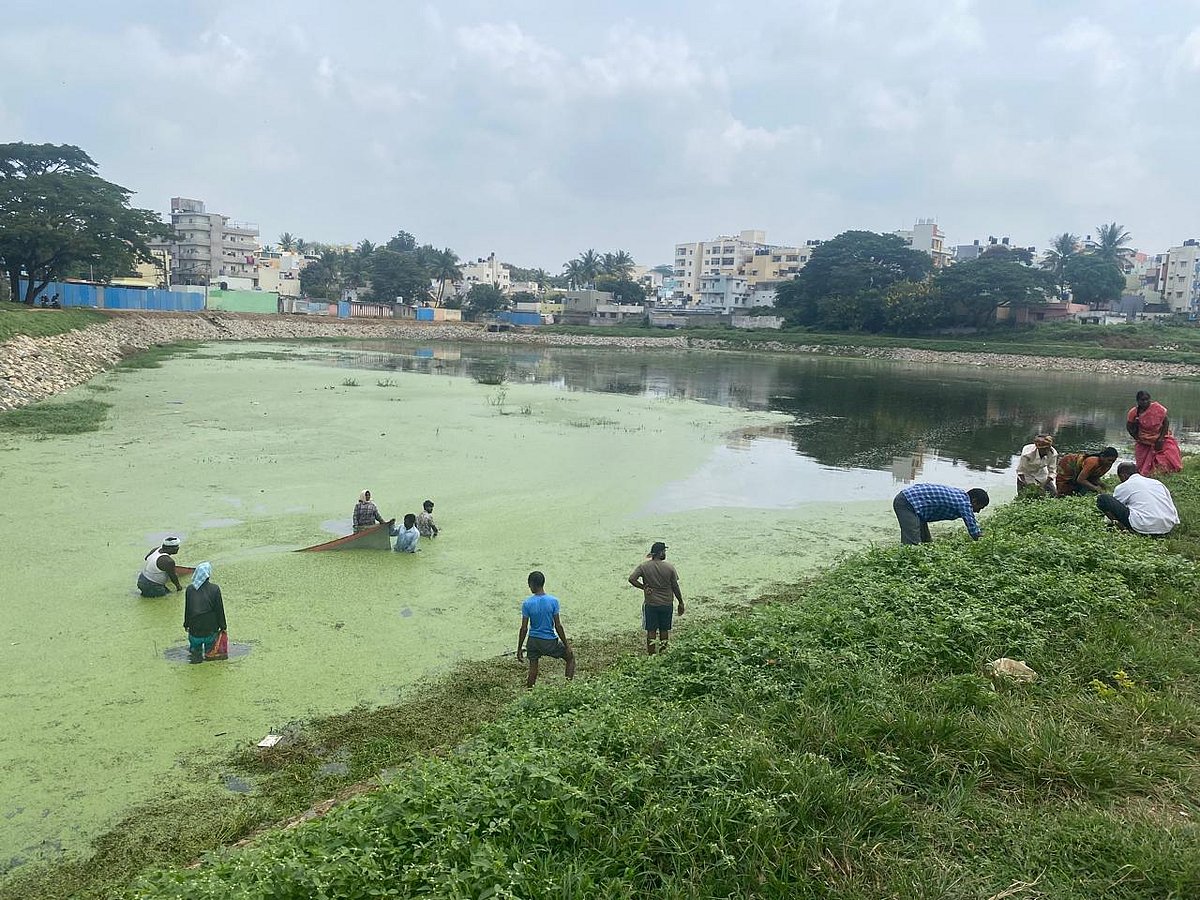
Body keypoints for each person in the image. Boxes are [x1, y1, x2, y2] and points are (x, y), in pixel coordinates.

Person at [516, 570, 575, 688]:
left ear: (532, 584)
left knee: (533, 668)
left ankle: (529, 692)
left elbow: (524, 628)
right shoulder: (553, 601)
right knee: (570, 658)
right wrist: (566, 645)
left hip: (533, 641)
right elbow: (558, 626)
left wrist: (519, 648)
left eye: (529, 584)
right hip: (548, 641)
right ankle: (568, 687)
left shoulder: (527, 603)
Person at [628, 541, 684, 654]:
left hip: (651, 604)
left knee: (651, 630)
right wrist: (681, 602)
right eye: (664, 551)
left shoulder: (643, 566)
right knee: (664, 630)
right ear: (660, 553)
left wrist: (644, 587)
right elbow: (675, 586)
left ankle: (651, 655)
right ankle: (663, 652)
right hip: (666, 604)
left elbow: (632, 579)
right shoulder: (669, 567)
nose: (665, 553)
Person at [1097, 463, 1180, 536]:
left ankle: (1121, 528)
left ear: (1123, 476)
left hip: (1143, 524)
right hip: (1167, 526)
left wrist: (1107, 519)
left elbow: (1115, 507)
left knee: (1103, 499)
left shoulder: (1124, 486)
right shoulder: (1157, 483)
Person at [893, 484, 989, 545]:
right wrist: (985, 543)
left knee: (927, 542)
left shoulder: (961, 495)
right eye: (980, 508)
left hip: (918, 508)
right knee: (912, 544)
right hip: (907, 503)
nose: (978, 511)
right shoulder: (964, 503)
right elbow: (973, 529)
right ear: (974, 501)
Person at [1126, 391, 1183, 476]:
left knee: (1169, 454)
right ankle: (1148, 475)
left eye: (1147, 399)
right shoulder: (1133, 412)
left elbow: (1166, 422)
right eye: (1142, 400)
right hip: (1144, 440)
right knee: (1143, 462)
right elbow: (1129, 426)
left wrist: (1161, 439)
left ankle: (1165, 472)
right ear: (1138, 401)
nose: (1145, 402)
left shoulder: (1157, 408)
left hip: (1161, 436)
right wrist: (1137, 437)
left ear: (1150, 400)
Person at [183, 562, 227, 662]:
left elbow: (188, 609)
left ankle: (195, 665)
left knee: (195, 654)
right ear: (208, 574)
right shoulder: (215, 589)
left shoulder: (190, 589)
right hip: (210, 630)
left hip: (194, 630)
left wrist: (186, 624)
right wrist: (223, 626)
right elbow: (219, 609)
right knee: (210, 654)